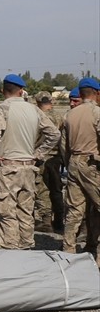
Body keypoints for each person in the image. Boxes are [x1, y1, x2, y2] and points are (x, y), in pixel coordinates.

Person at [0, 74, 59, 250]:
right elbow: (54, 134)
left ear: (2, 91)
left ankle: (11, 252)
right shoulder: (35, 110)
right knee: (26, 213)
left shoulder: (2, 109)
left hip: (8, 167)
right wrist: (38, 154)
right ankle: (27, 250)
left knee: (7, 213)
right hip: (28, 168)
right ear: (21, 91)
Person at [59, 77, 100, 261]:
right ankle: (95, 252)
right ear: (97, 94)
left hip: (74, 163)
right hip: (92, 164)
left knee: (74, 210)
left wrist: (69, 163)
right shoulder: (97, 113)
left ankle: (68, 252)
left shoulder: (69, 115)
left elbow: (63, 145)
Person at [33, 92, 66, 233]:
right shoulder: (60, 117)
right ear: (51, 101)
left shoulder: (38, 116)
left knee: (42, 190)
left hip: (41, 157)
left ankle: (46, 221)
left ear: (37, 102)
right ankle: (59, 220)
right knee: (57, 190)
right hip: (57, 159)